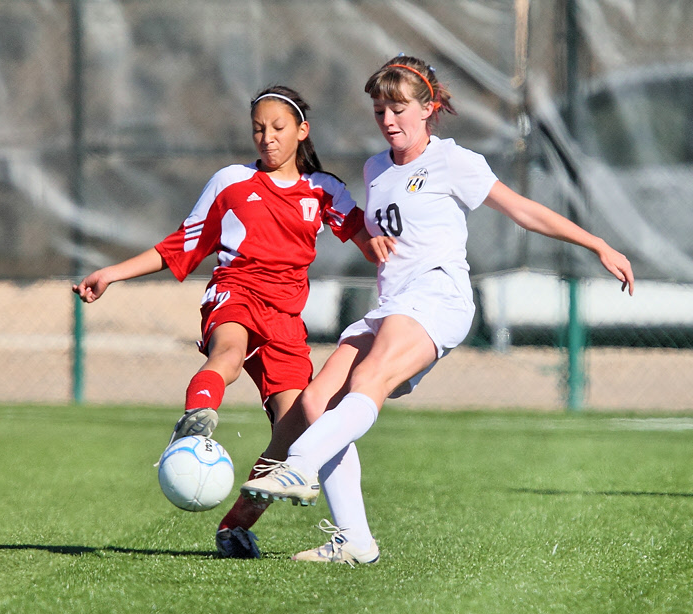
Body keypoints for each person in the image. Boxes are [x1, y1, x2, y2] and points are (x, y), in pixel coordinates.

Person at [240, 56, 635, 564]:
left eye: (398, 107)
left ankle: (301, 463)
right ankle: (355, 540)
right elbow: (384, 228)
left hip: (438, 297)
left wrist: (596, 243)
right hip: (392, 304)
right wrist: (375, 241)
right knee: (317, 403)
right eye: (380, 109)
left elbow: (522, 209)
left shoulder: (453, 162)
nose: (387, 119)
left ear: (428, 110)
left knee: (369, 381)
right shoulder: (376, 167)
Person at [73, 85, 379, 559]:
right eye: (258, 129)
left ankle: (235, 525)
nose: (267, 138)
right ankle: (195, 424)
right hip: (234, 293)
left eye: (278, 128)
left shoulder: (324, 190)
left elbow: (366, 237)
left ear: (302, 131)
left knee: (293, 430)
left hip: (286, 320)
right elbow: (181, 245)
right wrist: (112, 273)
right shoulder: (231, 182)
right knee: (229, 354)